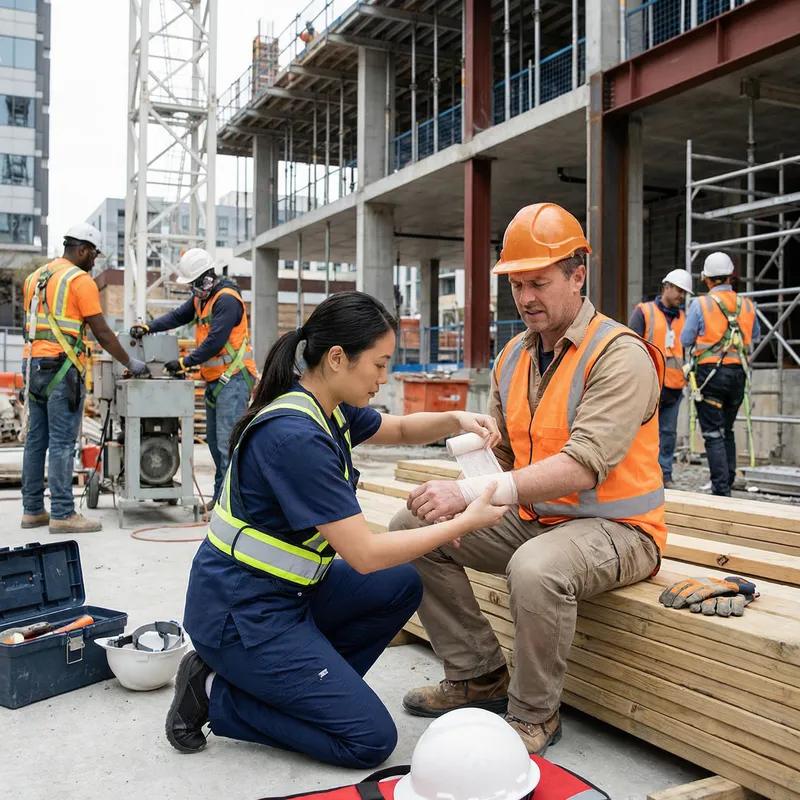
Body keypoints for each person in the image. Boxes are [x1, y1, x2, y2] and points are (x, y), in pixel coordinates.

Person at [165, 291, 508, 768]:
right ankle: (214, 692)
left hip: (287, 595)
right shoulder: (296, 438)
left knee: (401, 584)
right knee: (368, 740)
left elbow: (403, 429)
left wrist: (455, 418)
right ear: (336, 358)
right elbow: (365, 553)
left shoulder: (329, 407)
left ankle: (309, 694)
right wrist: (466, 520)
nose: (384, 378)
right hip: (241, 615)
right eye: (380, 364)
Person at [389, 203, 667, 756]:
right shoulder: (514, 355)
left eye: (538, 282)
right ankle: (478, 674)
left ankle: (533, 714)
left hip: (619, 528)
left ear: (577, 273)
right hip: (538, 517)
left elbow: (584, 464)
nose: (525, 298)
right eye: (517, 285)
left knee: (534, 567)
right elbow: (517, 459)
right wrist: (479, 468)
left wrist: (469, 494)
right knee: (411, 527)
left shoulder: (619, 355)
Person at [21, 223, 149, 534]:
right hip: (62, 371)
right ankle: (63, 513)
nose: (94, 262)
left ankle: (32, 509)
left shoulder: (34, 278)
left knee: (36, 442)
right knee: (63, 444)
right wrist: (131, 361)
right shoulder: (79, 281)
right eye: (93, 255)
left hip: (34, 369)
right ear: (82, 250)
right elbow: (102, 332)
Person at [130, 249, 257, 509]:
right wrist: (148, 327)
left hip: (233, 379)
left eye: (194, 283)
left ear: (207, 277)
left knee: (226, 444)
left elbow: (215, 341)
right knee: (215, 442)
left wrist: (184, 362)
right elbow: (178, 316)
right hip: (217, 381)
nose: (192, 289)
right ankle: (222, 498)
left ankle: (233, 505)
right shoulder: (202, 299)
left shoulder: (226, 300)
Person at [681, 252, 759, 496]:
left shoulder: (701, 304)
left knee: (713, 433)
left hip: (710, 376)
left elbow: (685, 339)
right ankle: (730, 478)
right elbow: (754, 336)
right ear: (730, 276)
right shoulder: (746, 304)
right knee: (727, 429)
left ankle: (721, 490)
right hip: (738, 374)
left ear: (706, 279)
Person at [628, 269, 693, 486]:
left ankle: (664, 475)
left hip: (674, 385)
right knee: (641, 433)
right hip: (648, 385)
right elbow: (630, 346)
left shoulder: (685, 317)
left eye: (684, 292)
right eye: (679, 290)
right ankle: (638, 474)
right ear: (667, 287)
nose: (682, 296)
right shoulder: (644, 312)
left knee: (668, 433)